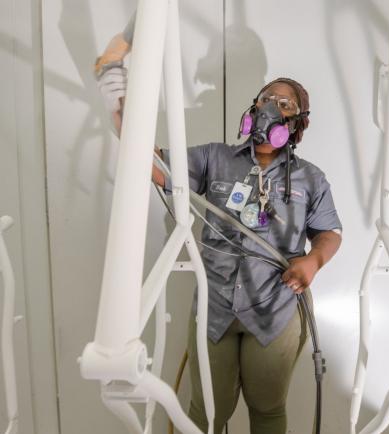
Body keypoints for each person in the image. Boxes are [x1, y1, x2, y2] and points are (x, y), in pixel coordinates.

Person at [98, 64, 342, 434]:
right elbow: (155, 162)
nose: (271, 106)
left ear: (297, 122)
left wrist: (313, 261)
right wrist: (121, 109)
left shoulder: (311, 177)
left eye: (284, 103)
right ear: (252, 109)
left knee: (268, 407)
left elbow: (329, 232)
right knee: (209, 409)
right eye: (265, 99)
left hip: (274, 310)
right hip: (215, 311)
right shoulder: (215, 158)